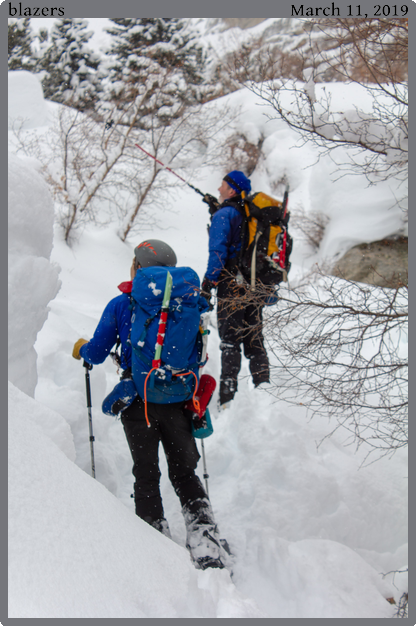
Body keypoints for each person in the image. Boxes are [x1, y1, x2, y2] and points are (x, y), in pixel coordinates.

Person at [72, 240, 225, 570]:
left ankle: (155, 544)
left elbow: (96, 353)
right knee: (185, 473)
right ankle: (205, 541)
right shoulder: (190, 303)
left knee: (146, 473)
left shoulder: (122, 304)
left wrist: (82, 350)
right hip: (180, 399)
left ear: (137, 268)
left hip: (138, 401)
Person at [201, 171, 270, 409]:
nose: (218, 190)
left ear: (231, 190)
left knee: (230, 341)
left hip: (232, 285)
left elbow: (218, 253)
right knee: (254, 338)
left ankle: (227, 401)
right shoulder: (247, 213)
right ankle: (264, 389)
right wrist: (216, 210)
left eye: (222, 186)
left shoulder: (225, 215)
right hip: (254, 284)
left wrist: (208, 282)